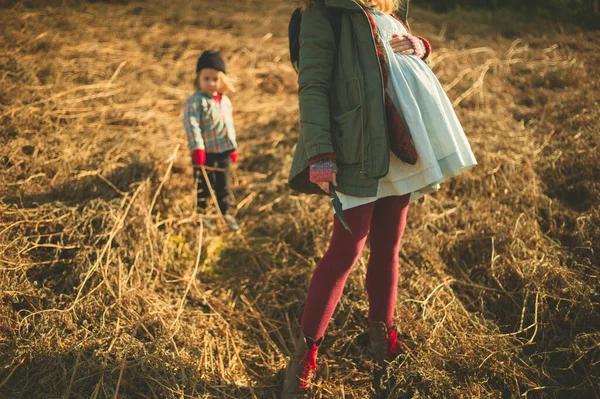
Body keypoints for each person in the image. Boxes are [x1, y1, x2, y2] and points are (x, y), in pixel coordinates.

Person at [283, 0, 477, 396]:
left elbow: (395, 60)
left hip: (398, 145)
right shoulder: (324, 14)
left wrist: (421, 47)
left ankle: (382, 337)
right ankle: (304, 357)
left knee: (389, 246)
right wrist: (320, 152)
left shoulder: (387, 10)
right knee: (346, 251)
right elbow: (314, 82)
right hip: (355, 150)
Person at [183, 50, 240, 232]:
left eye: (215, 79)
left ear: (222, 80)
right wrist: (197, 148)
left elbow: (229, 125)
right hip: (204, 154)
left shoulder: (224, 101)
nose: (210, 83)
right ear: (198, 78)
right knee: (204, 186)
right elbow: (192, 125)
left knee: (223, 185)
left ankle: (225, 213)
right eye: (206, 78)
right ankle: (202, 214)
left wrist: (232, 147)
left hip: (222, 151)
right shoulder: (195, 102)